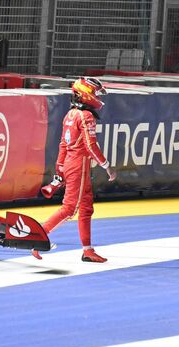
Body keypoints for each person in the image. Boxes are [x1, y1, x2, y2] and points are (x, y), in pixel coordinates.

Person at [32, 77, 117, 263]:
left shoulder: (70, 114)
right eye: (94, 93)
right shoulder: (86, 116)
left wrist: (60, 167)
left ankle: (87, 250)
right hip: (79, 166)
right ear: (86, 94)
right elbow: (90, 145)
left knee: (86, 208)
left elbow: (63, 144)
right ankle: (38, 236)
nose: (96, 97)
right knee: (70, 209)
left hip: (73, 164)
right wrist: (107, 166)